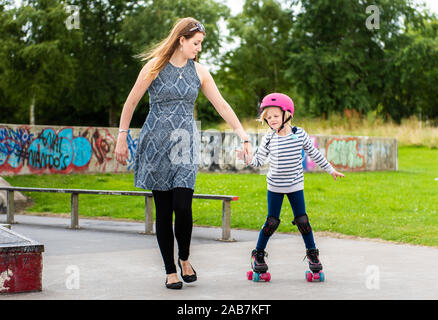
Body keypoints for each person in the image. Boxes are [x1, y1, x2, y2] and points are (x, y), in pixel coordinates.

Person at [114, 17, 252, 289]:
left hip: (184, 143)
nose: (199, 48)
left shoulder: (199, 72)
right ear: (181, 40)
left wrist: (243, 136)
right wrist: (122, 137)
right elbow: (130, 103)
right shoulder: (153, 68)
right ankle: (170, 271)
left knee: (182, 206)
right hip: (155, 143)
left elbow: (222, 106)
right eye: (196, 43)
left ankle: (185, 257)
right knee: (163, 212)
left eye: (201, 44)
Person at [236, 93, 344, 281]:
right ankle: (258, 255)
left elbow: (314, 153)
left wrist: (330, 169)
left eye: (275, 116)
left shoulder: (299, 134)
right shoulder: (269, 138)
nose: (272, 120)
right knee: (271, 222)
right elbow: (259, 160)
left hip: (295, 185)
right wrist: (245, 158)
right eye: (268, 117)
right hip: (275, 186)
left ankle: (313, 255)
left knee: (302, 221)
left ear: (287, 114)